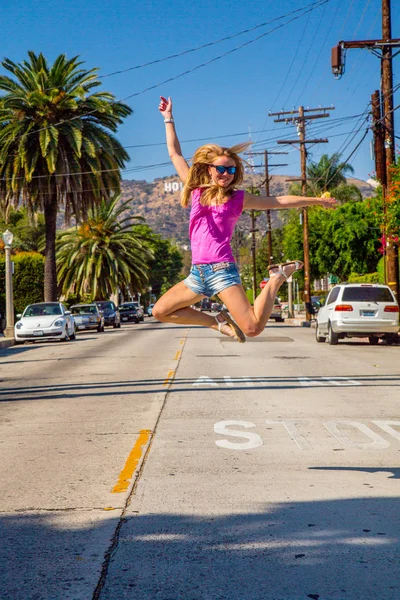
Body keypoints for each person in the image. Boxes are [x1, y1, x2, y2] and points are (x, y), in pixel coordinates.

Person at [152, 96, 337, 343]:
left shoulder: (238, 198)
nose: (226, 174)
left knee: (252, 328)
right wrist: (168, 118)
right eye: (221, 169)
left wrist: (316, 201)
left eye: (231, 170)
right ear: (209, 169)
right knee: (160, 311)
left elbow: (278, 201)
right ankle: (217, 322)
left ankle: (276, 278)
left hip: (221, 270)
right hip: (197, 273)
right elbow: (175, 154)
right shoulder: (196, 189)